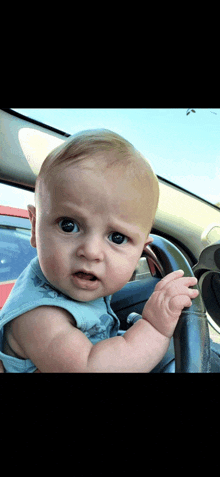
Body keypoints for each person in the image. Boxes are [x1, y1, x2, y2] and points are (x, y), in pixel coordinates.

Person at [0, 129, 199, 372]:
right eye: (68, 225)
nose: (91, 251)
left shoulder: (66, 285)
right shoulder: (39, 316)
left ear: (140, 253)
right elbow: (92, 366)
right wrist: (154, 327)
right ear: (34, 228)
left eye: (117, 237)